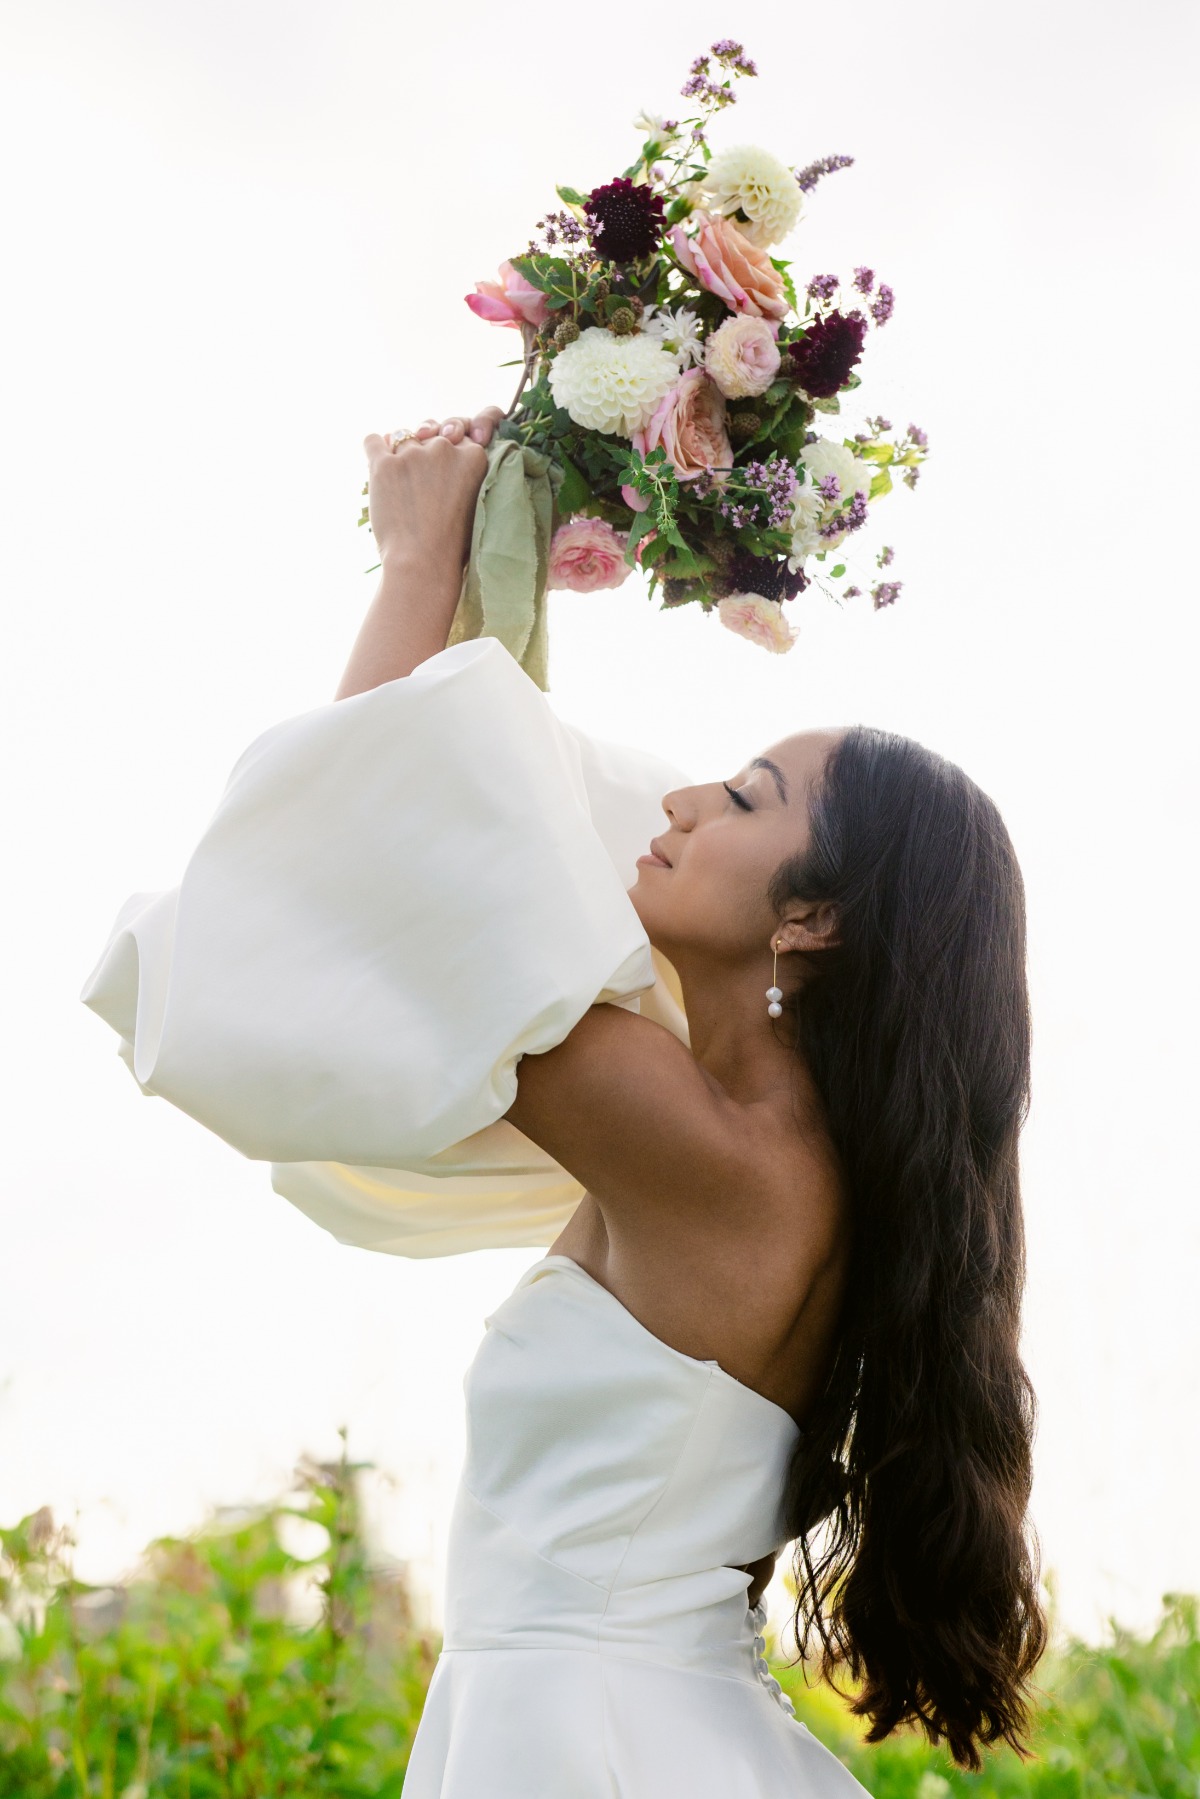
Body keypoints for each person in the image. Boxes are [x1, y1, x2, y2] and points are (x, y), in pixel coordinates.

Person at [82, 403, 1047, 1795]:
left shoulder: (713, 1153)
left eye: (751, 796)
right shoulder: (752, 1134)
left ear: (816, 919)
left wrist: (421, 567)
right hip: (602, 1718)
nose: (688, 800)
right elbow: (469, 847)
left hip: (587, 1736)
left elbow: (388, 854)